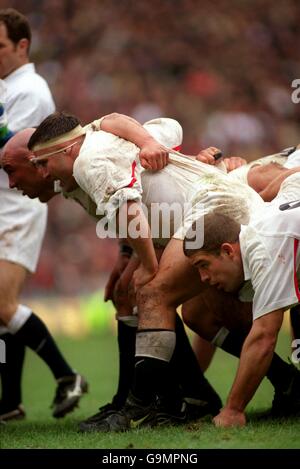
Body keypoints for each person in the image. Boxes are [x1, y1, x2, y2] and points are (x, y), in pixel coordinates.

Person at [27, 110, 300, 431]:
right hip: (206, 206)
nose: (40, 173)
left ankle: (135, 405)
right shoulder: (98, 142)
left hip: (212, 204)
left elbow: (131, 214)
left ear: (68, 149)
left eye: (42, 163)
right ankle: (280, 384)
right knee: (198, 315)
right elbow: (170, 127)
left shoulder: (88, 161)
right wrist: (147, 142)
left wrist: (148, 264)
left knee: (153, 291)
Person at [0, 8, 87, 422]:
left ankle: (68, 375)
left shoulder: (30, 90)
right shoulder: (6, 88)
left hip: (17, 206)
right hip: (4, 204)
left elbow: (12, 152)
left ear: (22, 46)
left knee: (2, 305)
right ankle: (10, 401)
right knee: (3, 308)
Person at [183, 170, 300, 427]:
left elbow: (264, 337)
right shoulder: (261, 229)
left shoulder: (265, 248)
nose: (202, 278)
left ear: (227, 250)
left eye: (204, 265)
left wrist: (233, 410)